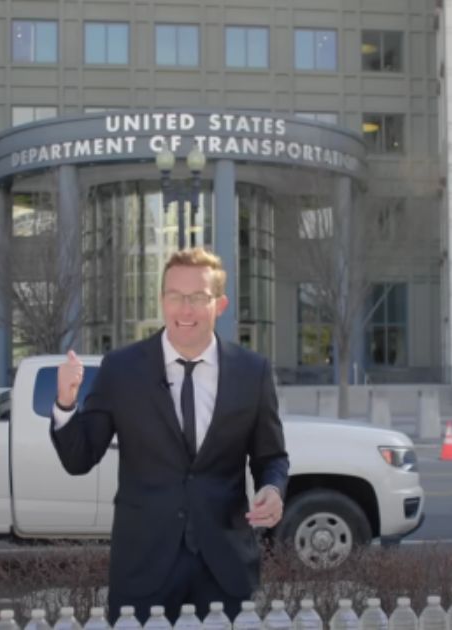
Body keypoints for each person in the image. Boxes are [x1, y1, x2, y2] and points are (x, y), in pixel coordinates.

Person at [50, 248, 289, 624]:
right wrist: (65, 403)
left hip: (225, 567)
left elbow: (271, 457)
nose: (185, 309)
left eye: (197, 297)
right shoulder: (122, 369)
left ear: (220, 304)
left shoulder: (252, 371)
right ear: (162, 300)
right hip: (143, 565)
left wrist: (273, 489)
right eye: (175, 296)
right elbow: (79, 459)